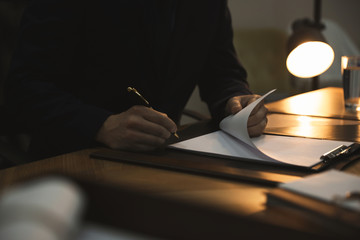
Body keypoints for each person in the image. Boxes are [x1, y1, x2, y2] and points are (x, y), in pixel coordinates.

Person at [5, 0, 268, 160]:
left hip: (163, 161)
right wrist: (101, 125)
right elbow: (24, 89)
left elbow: (222, 73)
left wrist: (235, 101)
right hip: (70, 164)